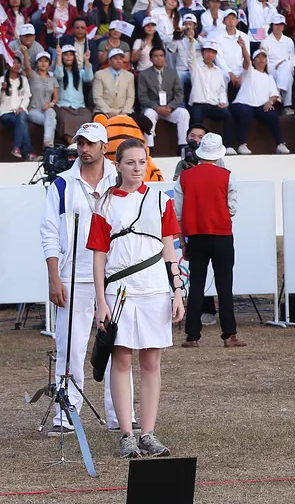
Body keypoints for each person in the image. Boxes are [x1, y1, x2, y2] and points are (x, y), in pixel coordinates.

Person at [88, 138, 183, 458]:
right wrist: (101, 301)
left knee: (151, 361)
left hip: (155, 288)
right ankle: (127, 434)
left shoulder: (160, 200)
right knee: (122, 358)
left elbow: (170, 248)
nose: (137, 168)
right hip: (120, 292)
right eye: (130, 163)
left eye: (142, 162)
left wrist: (177, 291)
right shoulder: (105, 204)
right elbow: (99, 256)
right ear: (117, 165)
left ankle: (149, 433)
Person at [39, 123, 127, 436]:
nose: (84, 148)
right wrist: (54, 277)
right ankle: (66, 414)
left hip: (115, 272)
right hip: (72, 273)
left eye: (90, 143)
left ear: (105, 146)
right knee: (70, 346)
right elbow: (48, 233)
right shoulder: (61, 184)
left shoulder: (120, 180)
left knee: (120, 346)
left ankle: (121, 415)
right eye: (80, 143)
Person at [174, 133, 243, 348]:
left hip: (195, 236)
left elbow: (178, 213)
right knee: (225, 286)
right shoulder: (227, 176)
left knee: (196, 286)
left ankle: (192, 336)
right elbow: (232, 207)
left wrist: (184, 243)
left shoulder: (183, 178)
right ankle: (229, 335)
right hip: (221, 234)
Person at [231, 45, 289, 155]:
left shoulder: (269, 77)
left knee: (272, 114)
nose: (261, 59)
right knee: (246, 112)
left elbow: (274, 94)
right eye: (258, 57)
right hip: (242, 103)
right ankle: (242, 144)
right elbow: (246, 61)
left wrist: (270, 102)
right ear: (254, 60)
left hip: (260, 107)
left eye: (263, 57)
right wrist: (243, 47)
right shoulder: (250, 71)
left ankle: (280, 144)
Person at [186, 38, 236, 152]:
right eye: (207, 51)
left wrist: (223, 102)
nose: (210, 55)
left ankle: (229, 146)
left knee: (228, 116)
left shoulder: (219, 72)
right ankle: (193, 148)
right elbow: (190, 58)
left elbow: (222, 90)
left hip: (214, 105)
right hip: (198, 104)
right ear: (203, 53)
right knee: (196, 119)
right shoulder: (196, 68)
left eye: (213, 52)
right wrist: (192, 42)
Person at [138, 48, 190, 153]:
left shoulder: (172, 73)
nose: (159, 58)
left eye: (161, 56)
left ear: (165, 58)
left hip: (169, 108)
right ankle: (149, 148)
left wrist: (170, 107)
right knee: (149, 114)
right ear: (151, 59)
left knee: (184, 113)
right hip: (153, 108)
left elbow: (179, 93)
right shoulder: (144, 74)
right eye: (156, 56)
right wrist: (157, 108)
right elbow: (142, 96)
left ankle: (183, 146)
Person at [54, 46, 93, 142]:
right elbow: (58, 76)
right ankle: (72, 145)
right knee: (65, 118)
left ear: (74, 57)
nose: (68, 57)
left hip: (79, 106)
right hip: (63, 106)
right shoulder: (58, 70)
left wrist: (86, 60)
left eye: (71, 55)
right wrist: (58, 57)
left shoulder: (80, 72)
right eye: (66, 55)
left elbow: (89, 78)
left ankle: (83, 144)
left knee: (87, 116)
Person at [259, 14, 295, 112]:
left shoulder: (289, 41)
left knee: (287, 69)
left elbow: (293, 59)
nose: (278, 27)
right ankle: (287, 106)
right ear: (272, 26)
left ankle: (278, 91)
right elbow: (264, 59)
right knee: (287, 75)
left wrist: (285, 64)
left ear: (283, 26)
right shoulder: (265, 41)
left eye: (281, 25)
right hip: (272, 68)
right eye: (276, 24)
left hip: (286, 67)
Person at [26, 51, 58, 149]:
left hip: (47, 109)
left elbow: (56, 98)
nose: (43, 63)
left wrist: (50, 104)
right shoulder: (33, 76)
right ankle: (49, 147)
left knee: (51, 114)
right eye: (40, 61)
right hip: (33, 109)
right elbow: (26, 66)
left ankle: (47, 143)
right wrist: (25, 54)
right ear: (36, 63)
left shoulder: (53, 79)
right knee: (52, 122)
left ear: (49, 63)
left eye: (46, 61)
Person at [93, 48, 134, 120]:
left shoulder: (129, 76)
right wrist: (108, 111)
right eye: (115, 58)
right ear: (109, 61)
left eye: (121, 59)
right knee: (100, 120)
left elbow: (130, 97)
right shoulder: (99, 74)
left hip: (124, 111)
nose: (118, 61)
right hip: (103, 111)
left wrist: (124, 112)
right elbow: (97, 97)